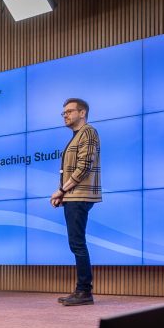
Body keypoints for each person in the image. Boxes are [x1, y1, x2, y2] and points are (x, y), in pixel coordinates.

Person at [50, 98, 101, 306]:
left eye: (70, 111)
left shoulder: (88, 132)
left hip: (80, 195)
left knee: (77, 243)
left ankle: (84, 291)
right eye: (63, 113)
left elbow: (84, 166)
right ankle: (81, 290)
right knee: (76, 243)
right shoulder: (76, 136)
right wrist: (63, 194)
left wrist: (62, 189)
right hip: (73, 195)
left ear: (82, 113)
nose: (66, 115)